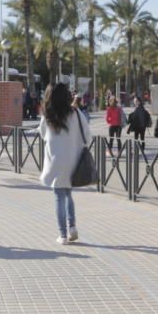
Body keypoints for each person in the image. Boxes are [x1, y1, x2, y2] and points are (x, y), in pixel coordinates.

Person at [39, 83, 91, 245]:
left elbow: (42, 134)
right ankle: (73, 226)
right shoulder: (75, 113)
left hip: (55, 161)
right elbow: (87, 136)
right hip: (73, 160)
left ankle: (62, 235)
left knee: (59, 197)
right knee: (68, 194)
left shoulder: (47, 115)